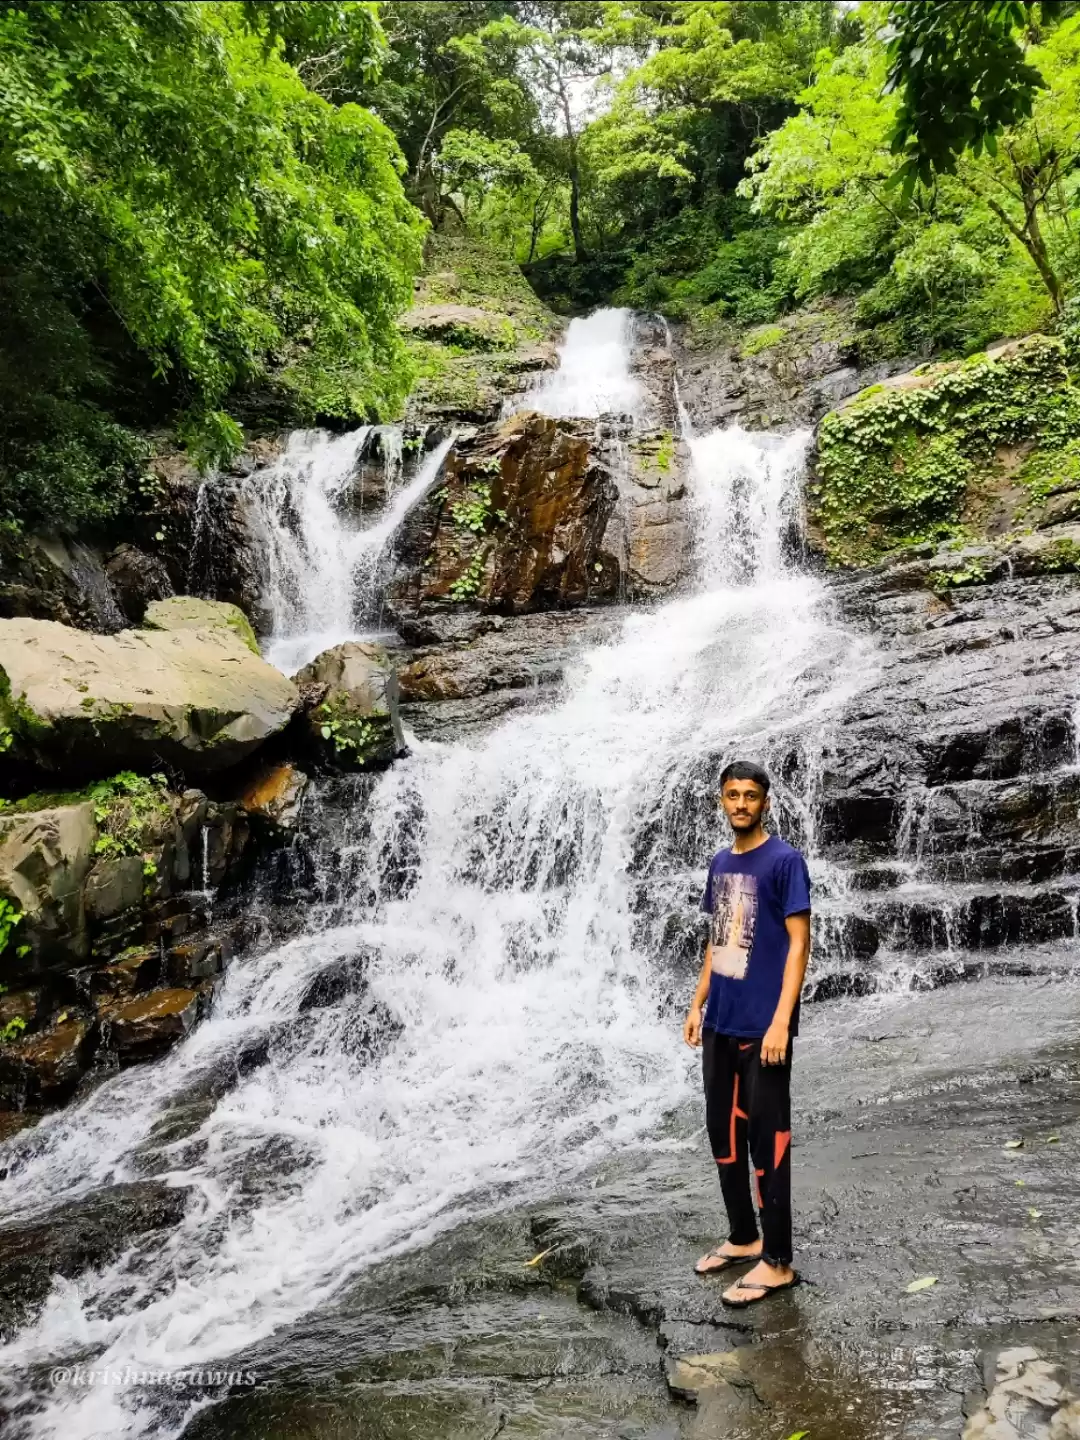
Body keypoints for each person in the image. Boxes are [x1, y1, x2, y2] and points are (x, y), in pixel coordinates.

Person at [683, 759, 811, 1308]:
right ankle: (743, 1237)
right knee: (724, 1137)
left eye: (751, 795)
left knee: (768, 1143)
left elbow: (799, 944)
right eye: (732, 795)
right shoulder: (719, 864)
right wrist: (697, 1003)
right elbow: (719, 940)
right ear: (720, 800)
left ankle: (777, 1262)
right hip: (720, 1022)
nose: (741, 804)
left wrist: (782, 1020)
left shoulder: (785, 862)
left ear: (764, 802)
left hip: (764, 1027)